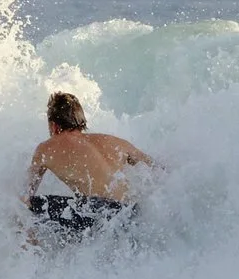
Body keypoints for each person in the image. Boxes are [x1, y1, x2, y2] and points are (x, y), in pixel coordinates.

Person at [24, 92, 155, 240]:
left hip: (101, 213)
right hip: (131, 214)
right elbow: (155, 167)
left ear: (54, 126)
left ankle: (34, 257)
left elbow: (26, 193)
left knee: (24, 208)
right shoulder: (115, 142)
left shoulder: (46, 148)